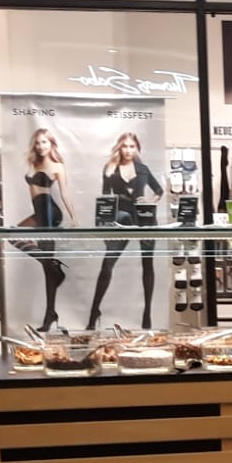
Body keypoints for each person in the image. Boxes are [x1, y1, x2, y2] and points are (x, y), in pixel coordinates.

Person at [87, 132, 164, 330]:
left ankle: (147, 314)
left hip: (144, 218)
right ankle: (94, 312)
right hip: (121, 218)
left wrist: (150, 201)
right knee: (107, 264)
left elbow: (159, 190)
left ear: (137, 148)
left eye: (132, 146)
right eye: (125, 146)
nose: (128, 150)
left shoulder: (143, 169)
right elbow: (105, 198)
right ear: (119, 148)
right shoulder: (110, 169)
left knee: (148, 265)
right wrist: (104, 223)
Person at [16, 128, 74, 332]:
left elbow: (65, 194)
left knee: (47, 269)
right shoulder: (33, 164)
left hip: (49, 213)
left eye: (44, 142)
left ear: (51, 144)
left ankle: (49, 315)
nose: (41, 146)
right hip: (39, 213)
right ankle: (51, 311)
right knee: (14, 235)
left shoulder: (57, 166)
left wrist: (73, 217)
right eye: (38, 143)